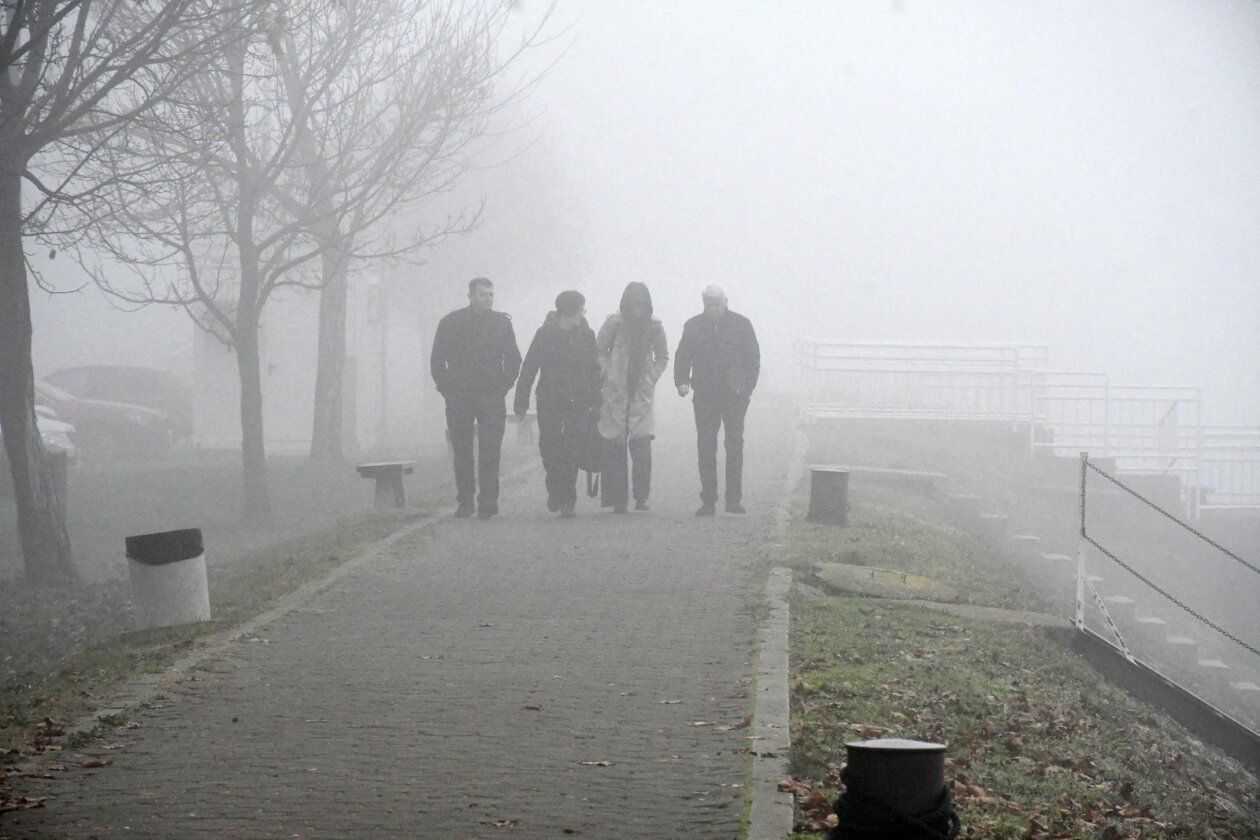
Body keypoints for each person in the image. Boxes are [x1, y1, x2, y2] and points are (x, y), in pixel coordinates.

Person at [430, 277, 522, 519]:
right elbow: (438, 360)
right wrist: (446, 388)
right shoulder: (451, 323)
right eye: (483, 294)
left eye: (491, 294)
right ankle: (465, 501)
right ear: (470, 296)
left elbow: (513, 358)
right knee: (462, 451)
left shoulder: (502, 324)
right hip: (459, 395)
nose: (488, 299)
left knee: (491, 450)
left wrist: (504, 385)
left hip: (491, 395)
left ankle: (489, 501)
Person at [513, 290, 601, 518]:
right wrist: (521, 400)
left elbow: (594, 369)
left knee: (572, 449)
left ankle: (568, 500)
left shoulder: (586, 335)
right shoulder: (544, 335)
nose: (583, 314)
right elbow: (530, 367)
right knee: (549, 445)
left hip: (578, 400)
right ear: (569, 312)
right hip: (549, 398)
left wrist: (596, 401)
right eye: (581, 310)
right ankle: (554, 486)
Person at [674, 284, 760, 516]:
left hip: (735, 395)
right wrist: (681, 381)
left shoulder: (742, 325)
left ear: (725, 301)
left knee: (734, 445)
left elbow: (753, 358)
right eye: (708, 304)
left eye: (717, 304)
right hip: (705, 395)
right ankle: (709, 500)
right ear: (704, 303)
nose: (713, 308)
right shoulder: (693, 326)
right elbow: (683, 356)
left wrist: (747, 388)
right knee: (706, 446)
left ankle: (733, 500)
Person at [596, 281, 669, 513]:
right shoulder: (614, 324)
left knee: (642, 445)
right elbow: (598, 350)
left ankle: (641, 497)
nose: (637, 308)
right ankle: (618, 499)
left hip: (641, 391)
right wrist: (606, 373)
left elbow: (663, 356)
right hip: (616, 390)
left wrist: (651, 378)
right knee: (614, 445)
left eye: (641, 303)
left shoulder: (655, 327)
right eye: (633, 303)